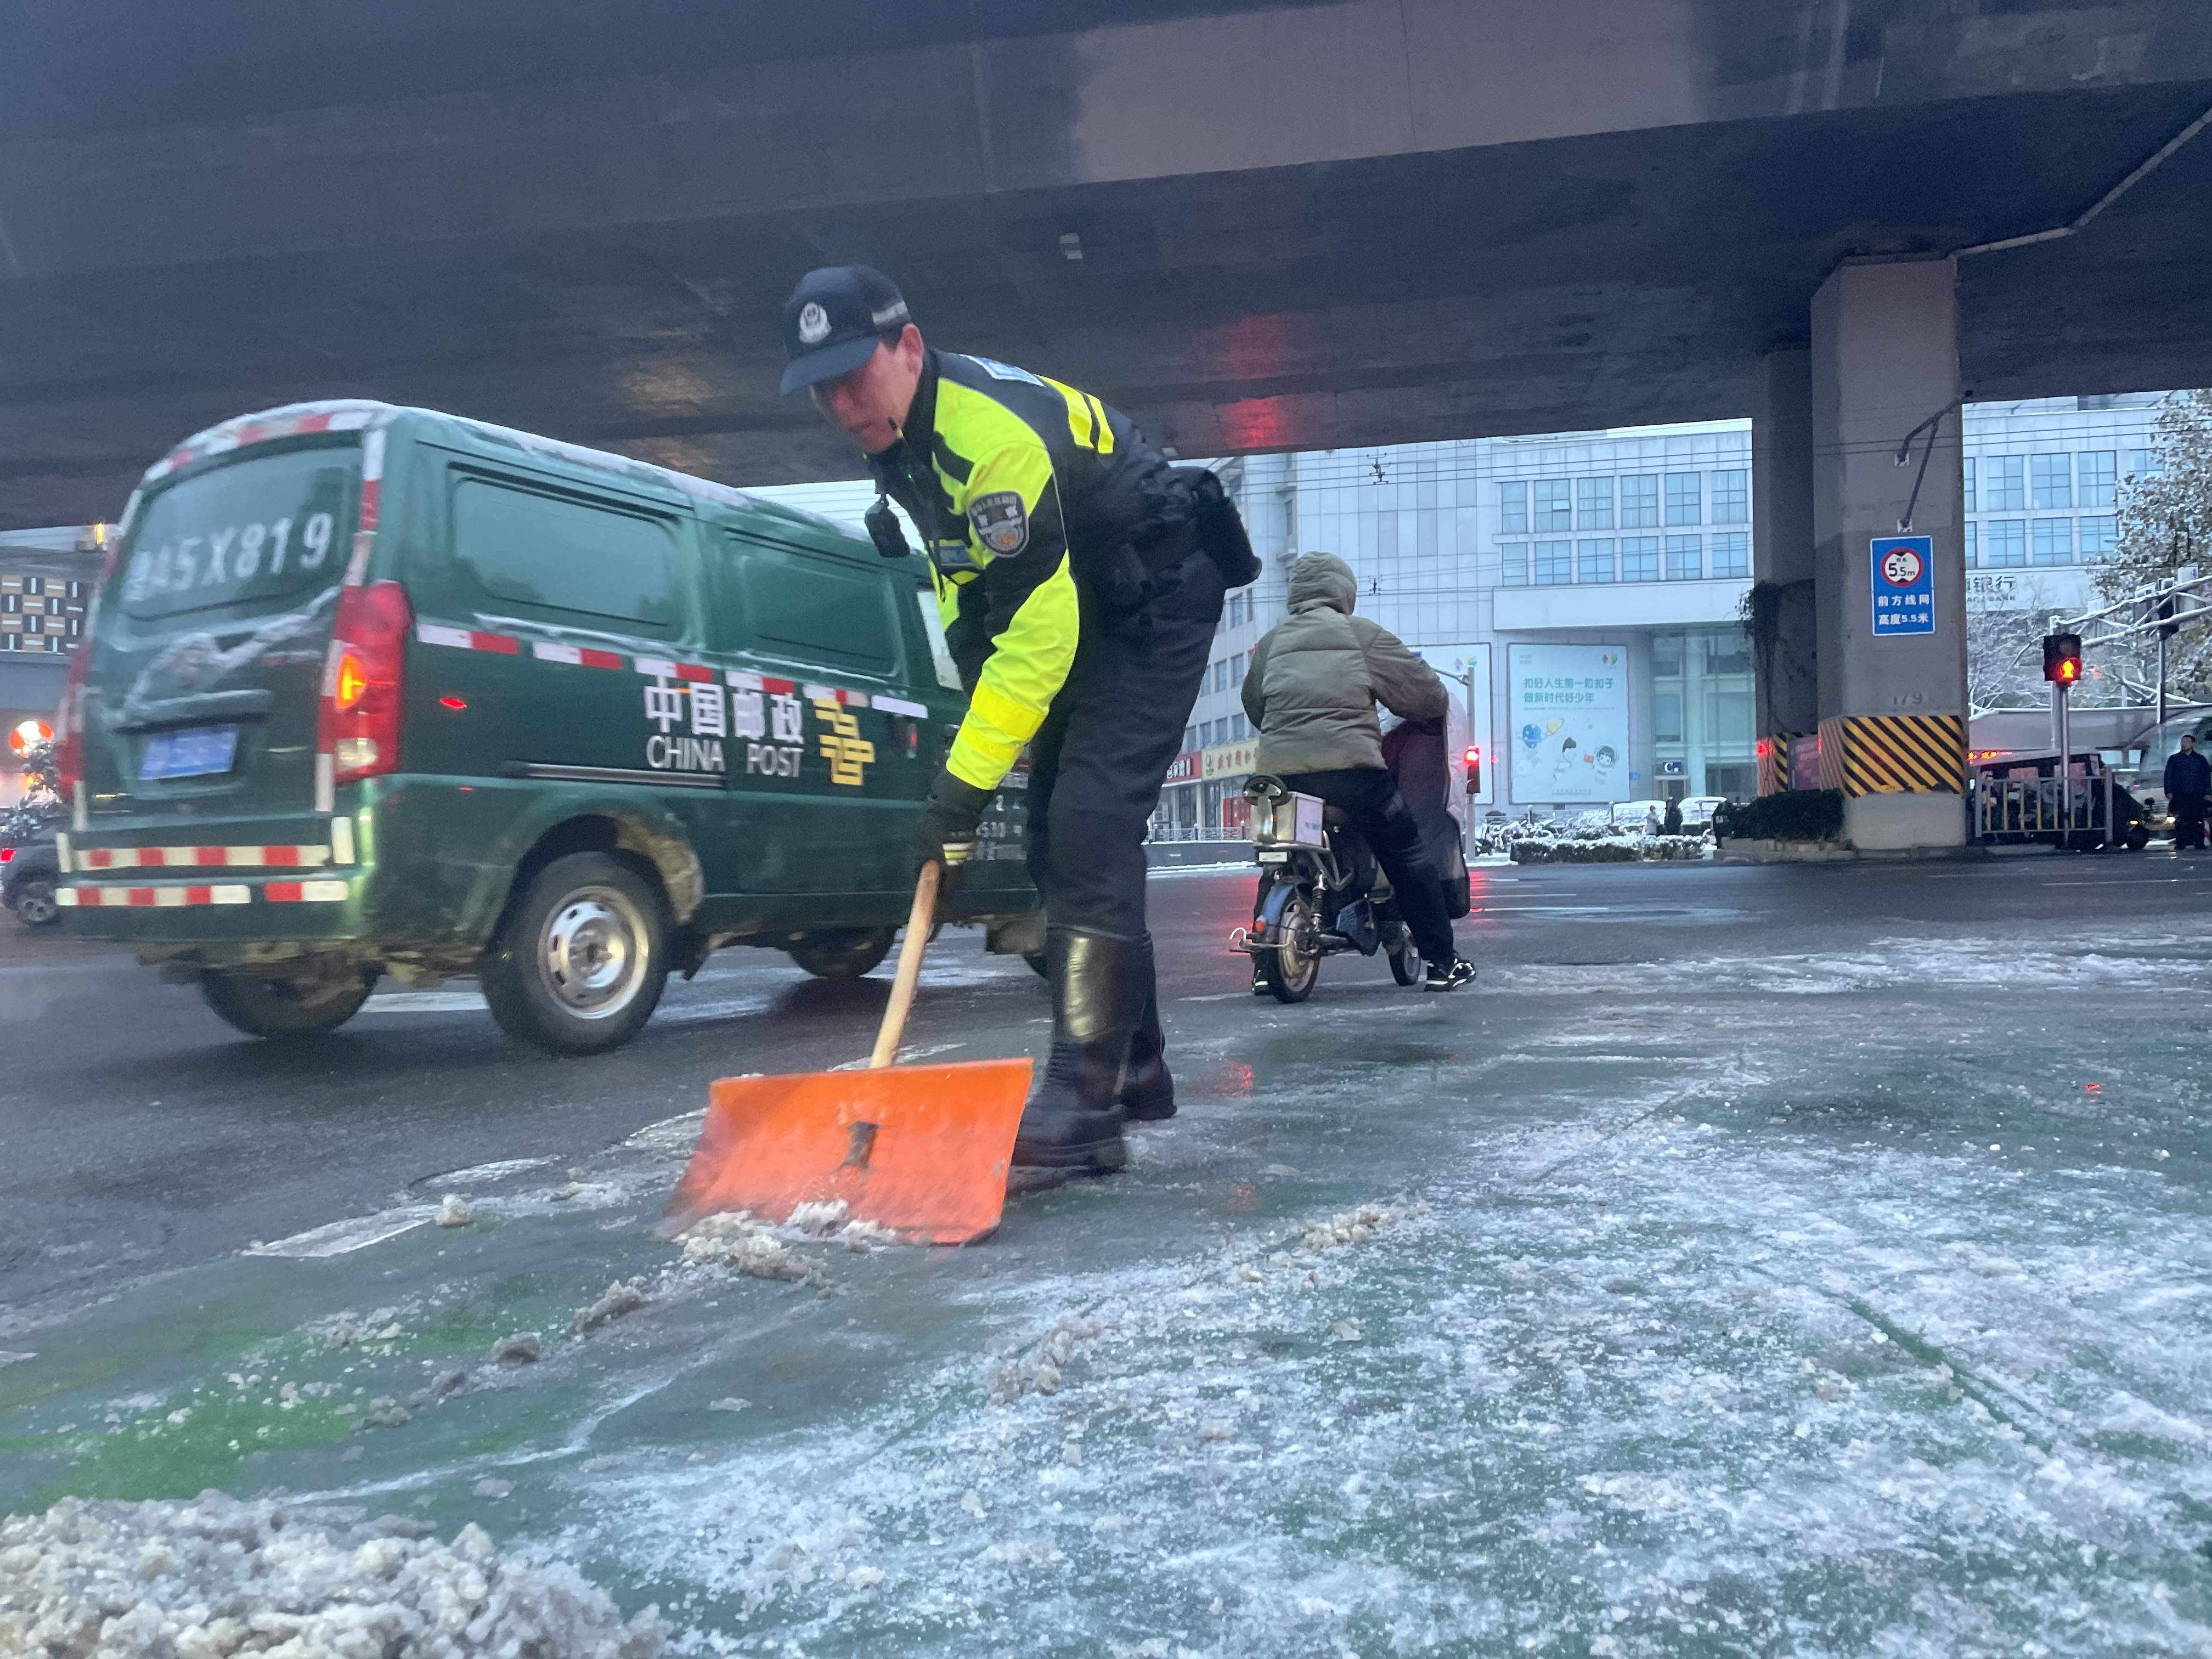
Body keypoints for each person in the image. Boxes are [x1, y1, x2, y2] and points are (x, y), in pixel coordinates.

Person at [779, 265, 1254, 1174]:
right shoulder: (903, 445)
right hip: (1083, 598)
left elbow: (1035, 638)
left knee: (1089, 823)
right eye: (822, 389)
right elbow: (971, 602)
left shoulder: (984, 437)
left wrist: (957, 796)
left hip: (1153, 592)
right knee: (1050, 845)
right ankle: (1137, 1063)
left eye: (854, 374)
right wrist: (977, 752)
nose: (841, 403)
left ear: (908, 347)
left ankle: (1086, 1100)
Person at [1240, 552, 1477, 991]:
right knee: (1407, 854)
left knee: (1279, 860)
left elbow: (1255, 705)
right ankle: (1443, 963)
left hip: (1281, 778)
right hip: (1353, 775)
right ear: (1344, 592)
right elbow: (1424, 695)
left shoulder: (1273, 643)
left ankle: (1262, 968)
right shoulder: (1360, 635)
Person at [2164, 732, 2209, 851]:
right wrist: (2169, 791)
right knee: (2180, 820)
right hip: (2180, 794)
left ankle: (2199, 843)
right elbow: (2168, 776)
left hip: (2196, 794)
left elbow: (2206, 777)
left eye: (2187, 742)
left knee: (2198, 820)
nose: (2185, 745)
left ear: (2193, 744)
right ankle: (2181, 843)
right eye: (2183, 742)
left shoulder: (2200, 760)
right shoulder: (2175, 759)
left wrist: (2207, 793)